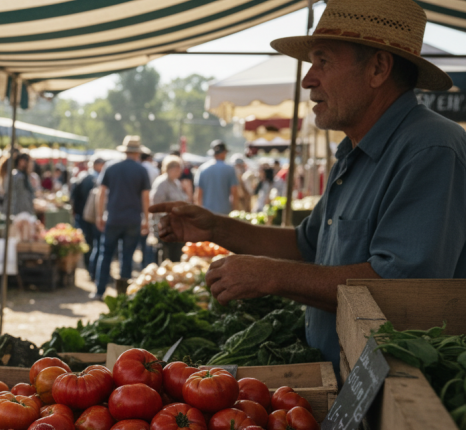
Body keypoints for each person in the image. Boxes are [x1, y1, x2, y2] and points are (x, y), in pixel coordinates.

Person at [152, 0, 466, 373]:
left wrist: (271, 275)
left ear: (379, 68)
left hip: (398, 394)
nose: (307, 79)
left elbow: (397, 288)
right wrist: (217, 228)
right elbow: (305, 245)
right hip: (341, 377)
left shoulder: (431, 150)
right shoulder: (353, 150)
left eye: (323, 61)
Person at [93, 136, 151, 300]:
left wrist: (99, 215)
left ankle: (99, 291)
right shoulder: (141, 170)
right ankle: (123, 294)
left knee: (106, 255)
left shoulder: (111, 167)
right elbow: (145, 197)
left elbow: (101, 193)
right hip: (132, 220)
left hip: (113, 218)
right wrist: (146, 219)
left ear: (125, 151)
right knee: (127, 257)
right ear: (137, 152)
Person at [151, 155, 188, 262]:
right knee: (166, 256)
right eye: (177, 169)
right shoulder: (161, 183)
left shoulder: (176, 183)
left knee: (176, 255)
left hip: (177, 226)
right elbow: (156, 206)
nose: (179, 172)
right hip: (166, 226)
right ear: (170, 169)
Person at [71, 158, 103, 280]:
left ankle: (91, 269)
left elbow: (73, 198)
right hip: (91, 216)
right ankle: (93, 270)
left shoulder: (83, 177)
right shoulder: (92, 178)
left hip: (85, 216)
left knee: (91, 243)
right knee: (94, 244)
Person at [194, 140, 238, 215]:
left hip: (207, 213)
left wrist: (199, 213)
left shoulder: (202, 169)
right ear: (224, 153)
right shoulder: (230, 169)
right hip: (224, 213)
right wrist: (235, 210)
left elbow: (198, 194)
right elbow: (234, 193)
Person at [1, 152, 35, 216]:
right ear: (21, 161)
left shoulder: (24, 175)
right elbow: (15, 197)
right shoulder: (16, 176)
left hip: (24, 211)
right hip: (17, 211)